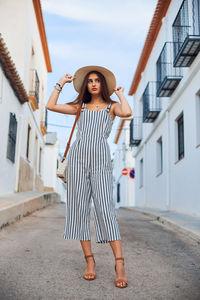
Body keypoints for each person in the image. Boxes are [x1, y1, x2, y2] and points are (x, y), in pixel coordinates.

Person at [46, 65, 132, 288]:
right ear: (86, 85)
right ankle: (90, 261)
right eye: (90, 80)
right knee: (79, 208)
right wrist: (61, 83)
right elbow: (50, 105)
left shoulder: (112, 107)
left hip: (101, 162)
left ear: (103, 85)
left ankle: (119, 263)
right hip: (77, 161)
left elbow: (127, 112)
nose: (94, 83)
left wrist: (120, 93)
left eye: (98, 80)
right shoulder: (80, 107)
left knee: (105, 208)